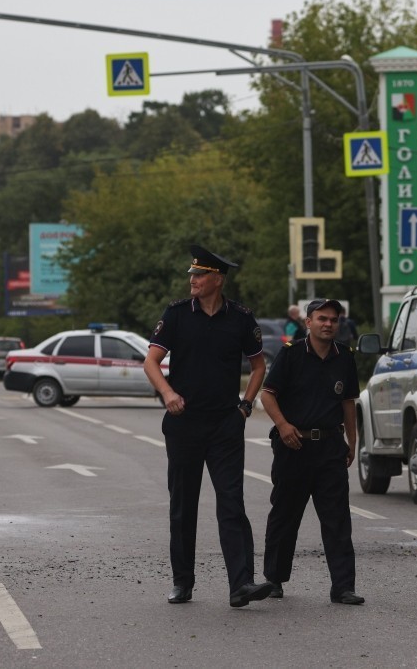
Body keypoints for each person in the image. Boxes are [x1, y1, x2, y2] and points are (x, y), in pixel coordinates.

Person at [143, 245, 273, 608]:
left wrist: (245, 406)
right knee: (183, 505)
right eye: (192, 275)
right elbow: (151, 362)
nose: (193, 281)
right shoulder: (177, 315)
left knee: (232, 503)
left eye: (199, 275)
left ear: (218, 279)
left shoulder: (241, 319)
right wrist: (168, 392)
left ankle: (241, 584)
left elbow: (259, 366)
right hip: (184, 424)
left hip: (224, 426)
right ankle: (183, 582)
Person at [261, 299, 364, 605]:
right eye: (322, 318)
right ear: (309, 322)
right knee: (285, 514)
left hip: (330, 447)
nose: (328, 324)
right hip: (294, 446)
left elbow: (348, 402)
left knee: (337, 519)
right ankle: (274, 579)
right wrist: (283, 426)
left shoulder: (344, 356)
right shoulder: (291, 354)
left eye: (333, 319)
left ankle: (343, 586)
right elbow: (268, 396)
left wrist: (352, 442)